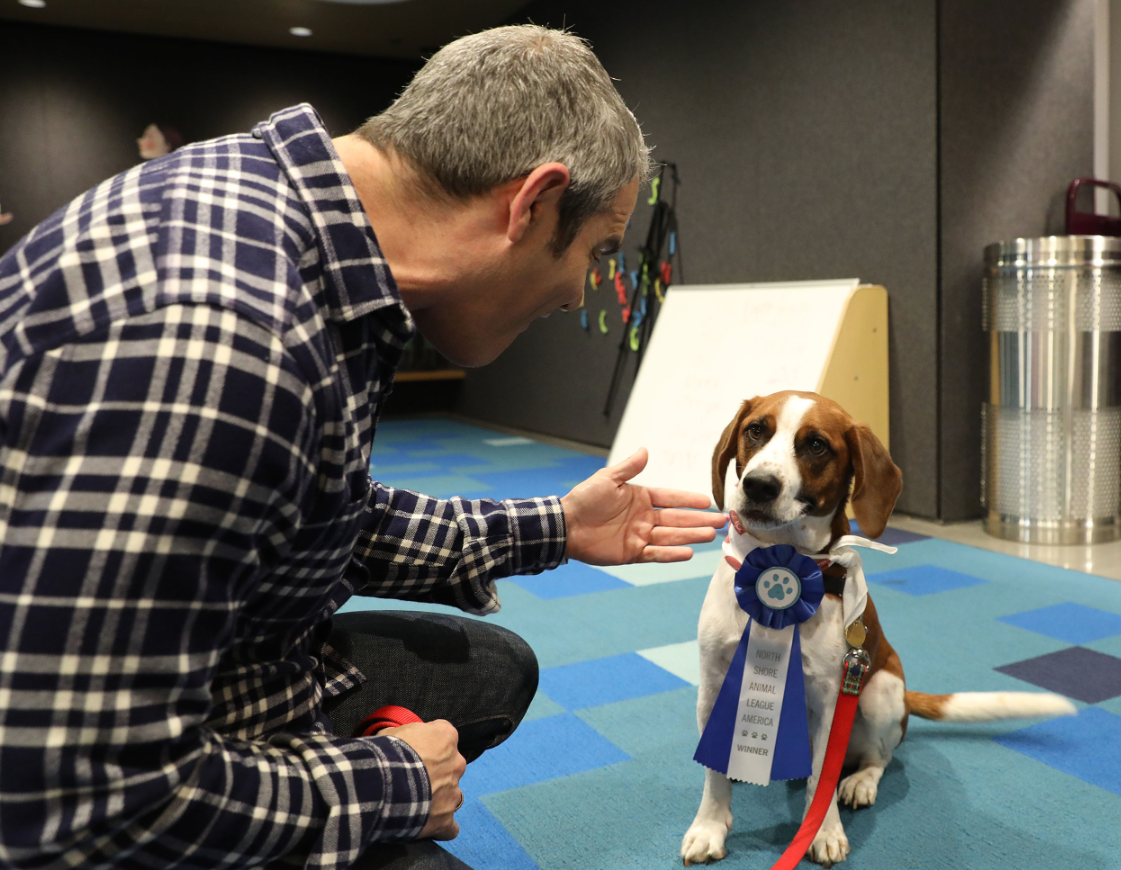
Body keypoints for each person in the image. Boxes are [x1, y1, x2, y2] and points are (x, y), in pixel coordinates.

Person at [0, 25, 723, 870]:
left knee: (487, 670)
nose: (576, 295)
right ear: (531, 204)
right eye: (597, 251)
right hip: (67, 787)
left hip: (205, 671)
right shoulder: (226, 343)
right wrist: (385, 786)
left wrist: (555, 527)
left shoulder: (276, 208)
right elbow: (68, 798)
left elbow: (313, 506)